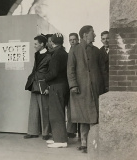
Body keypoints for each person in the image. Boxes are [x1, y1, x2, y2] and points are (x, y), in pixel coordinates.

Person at [67, 25, 107, 153]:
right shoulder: (74, 50)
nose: (94, 35)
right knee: (83, 116)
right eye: (92, 33)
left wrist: (105, 85)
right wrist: (73, 85)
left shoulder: (97, 51)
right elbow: (70, 69)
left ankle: (94, 143)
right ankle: (84, 143)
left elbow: (103, 70)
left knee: (94, 116)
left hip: (96, 88)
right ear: (85, 35)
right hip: (81, 88)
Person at [44, 33, 69, 148]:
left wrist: (45, 78)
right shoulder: (64, 53)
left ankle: (60, 141)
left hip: (56, 86)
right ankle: (59, 137)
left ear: (52, 42)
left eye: (49, 41)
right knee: (60, 112)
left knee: (56, 113)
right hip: (63, 85)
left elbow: (53, 73)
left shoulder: (56, 54)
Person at [24, 34, 51, 140]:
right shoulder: (37, 54)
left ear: (42, 44)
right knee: (33, 108)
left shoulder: (50, 56)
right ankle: (32, 131)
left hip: (43, 84)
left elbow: (50, 72)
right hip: (35, 83)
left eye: (36, 44)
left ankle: (45, 133)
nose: (34, 46)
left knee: (44, 109)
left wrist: (47, 86)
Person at [67, 33, 80, 139]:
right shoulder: (70, 51)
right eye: (70, 40)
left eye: (74, 39)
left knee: (79, 109)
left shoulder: (80, 50)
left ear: (78, 40)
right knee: (71, 108)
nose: (72, 41)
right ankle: (71, 130)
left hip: (79, 83)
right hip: (71, 84)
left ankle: (79, 132)